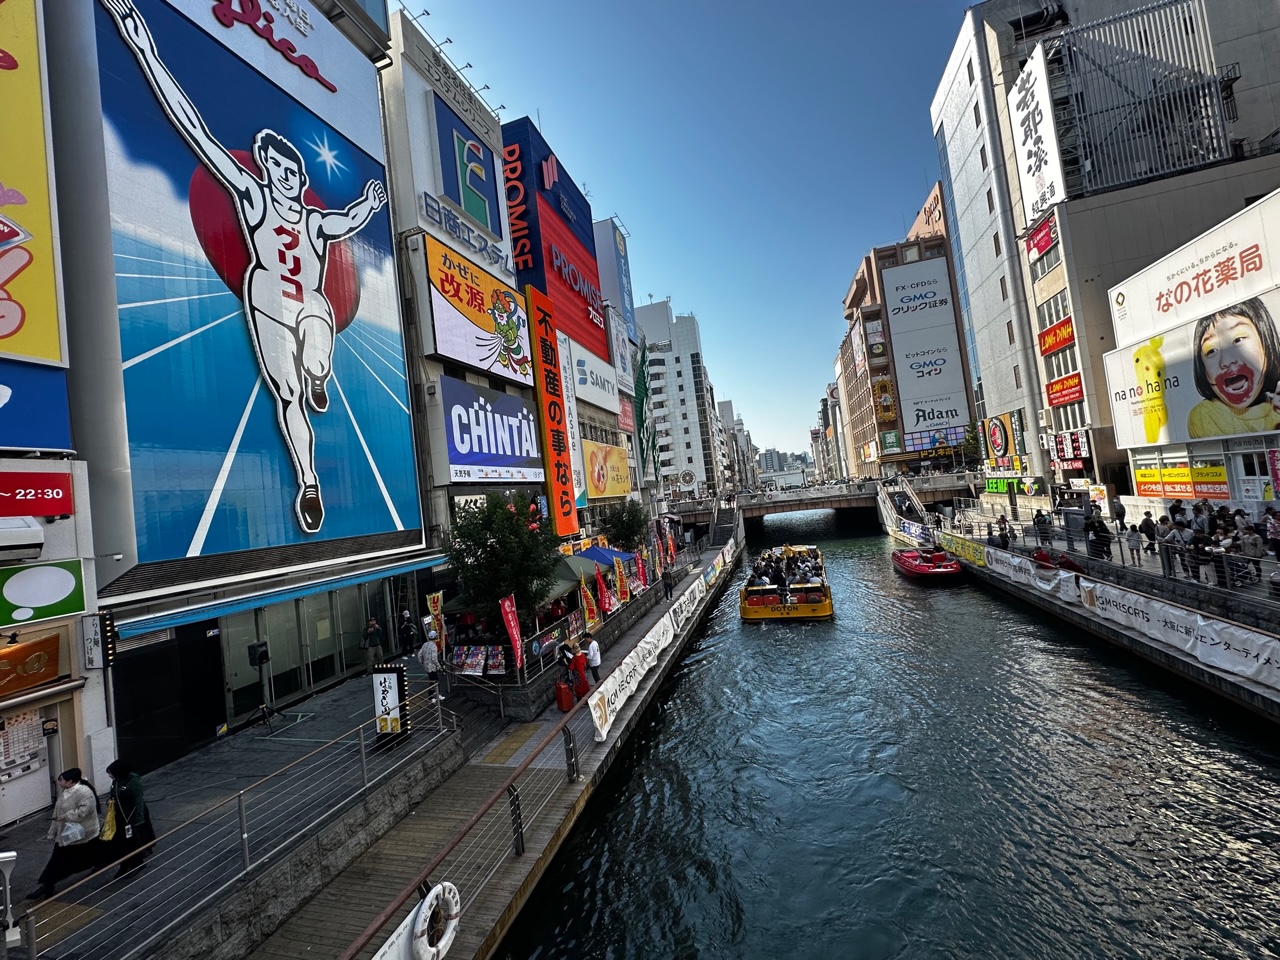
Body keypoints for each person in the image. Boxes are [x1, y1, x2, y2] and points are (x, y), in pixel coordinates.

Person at [101, 0, 389, 534]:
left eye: (289, 169)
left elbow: (347, 220)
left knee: (317, 325)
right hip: (265, 297)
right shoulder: (252, 198)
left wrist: (370, 206)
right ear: (266, 169)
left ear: (300, 177)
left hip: (307, 301)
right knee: (287, 396)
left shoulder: (313, 220)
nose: (281, 175)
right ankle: (307, 480)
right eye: (273, 166)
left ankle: (320, 371)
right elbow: (197, 133)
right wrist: (145, 49)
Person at [1187, 298, 1280, 438]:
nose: (1227, 361)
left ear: (1265, 339)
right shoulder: (1204, 416)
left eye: (1238, 339)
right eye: (1211, 350)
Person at [28, 769, 100, 900]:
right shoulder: (66, 791)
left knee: (66, 860)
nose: (59, 782)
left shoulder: (84, 792)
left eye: (61, 780)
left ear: (70, 782)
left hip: (79, 834)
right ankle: (47, 884)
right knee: (57, 861)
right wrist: (54, 830)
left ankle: (47, 884)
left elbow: (84, 811)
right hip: (67, 834)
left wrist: (66, 816)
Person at [103, 759, 154, 879]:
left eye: (111, 773)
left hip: (131, 816)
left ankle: (137, 863)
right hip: (119, 815)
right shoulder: (116, 781)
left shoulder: (133, 781)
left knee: (131, 841)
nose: (110, 776)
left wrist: (139, 820)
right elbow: (114, 794)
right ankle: (124, 864)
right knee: (120, 842)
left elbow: (139, 800)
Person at [417, 630, 443, 701]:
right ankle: (432, 697)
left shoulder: (425, 644)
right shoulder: (434, 646)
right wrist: (439, 666)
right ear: (435, 637)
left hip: (426, 666)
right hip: (432, 667)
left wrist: (422, 662)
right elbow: (434, 659)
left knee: (433, 680)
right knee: (435, 681)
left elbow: (419, 654)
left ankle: (436, 695)